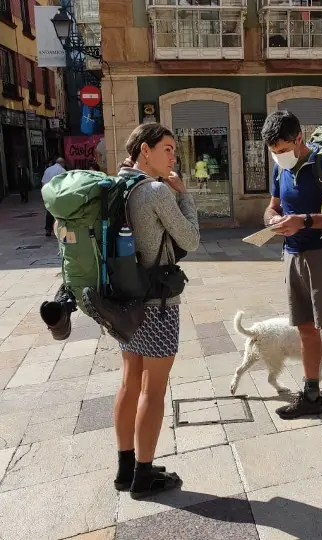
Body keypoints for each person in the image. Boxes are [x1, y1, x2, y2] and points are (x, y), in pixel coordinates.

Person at [113, 123, 200, 499]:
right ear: (144, 151)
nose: (173, 157)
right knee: (154, 388)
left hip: (122, 301)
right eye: (167, 149)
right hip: (157, 303)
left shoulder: (119, 184)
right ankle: (145, 476)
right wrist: (185, 195)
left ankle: (126, 468)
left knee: (130, 380)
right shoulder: (155, 191)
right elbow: (191, 240)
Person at [261, 110, 322, 439]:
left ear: (299, 139)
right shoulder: (279, 167)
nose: (278, 156)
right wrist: (272, 219)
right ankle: (312, 395)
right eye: (273, 151)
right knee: (305, 330)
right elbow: (272, 205)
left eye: (282, 149)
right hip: (291, 255)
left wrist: (304, 220)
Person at [41, 158, 66, 236]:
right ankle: (61, 230)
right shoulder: (63, 170)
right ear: (62, 163)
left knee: (49, 212)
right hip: (58, 194)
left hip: (48, 193)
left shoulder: (47, 170)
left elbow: (43, 182)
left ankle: (48, 229)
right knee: (60, 213)